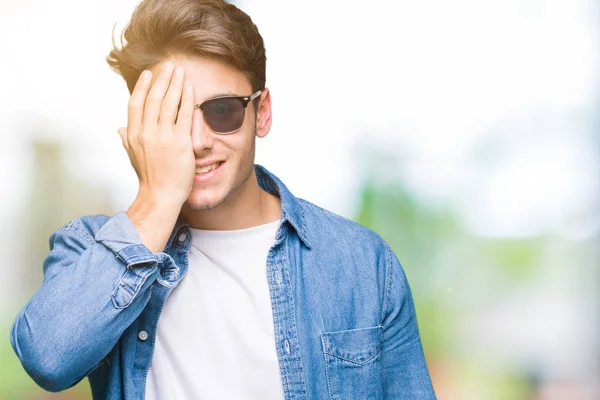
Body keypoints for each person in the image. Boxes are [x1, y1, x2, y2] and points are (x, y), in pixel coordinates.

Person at [10, 0, 437, 398]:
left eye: (222, 111)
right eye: (173, 116)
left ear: (262, 112)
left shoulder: (361, 263)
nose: (197, 142)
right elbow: (47, 360)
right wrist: (157, 198)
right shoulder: (90, 250)